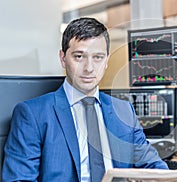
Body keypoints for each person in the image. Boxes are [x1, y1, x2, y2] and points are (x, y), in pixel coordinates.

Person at [2, 17, 168, 182]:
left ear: (107, 61)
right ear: (63, 58)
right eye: (79, 56)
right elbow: (18, 180)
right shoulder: (33, 114)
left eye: (98, 57)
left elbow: (153, 166)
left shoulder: (124, 111)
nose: (89, 68)